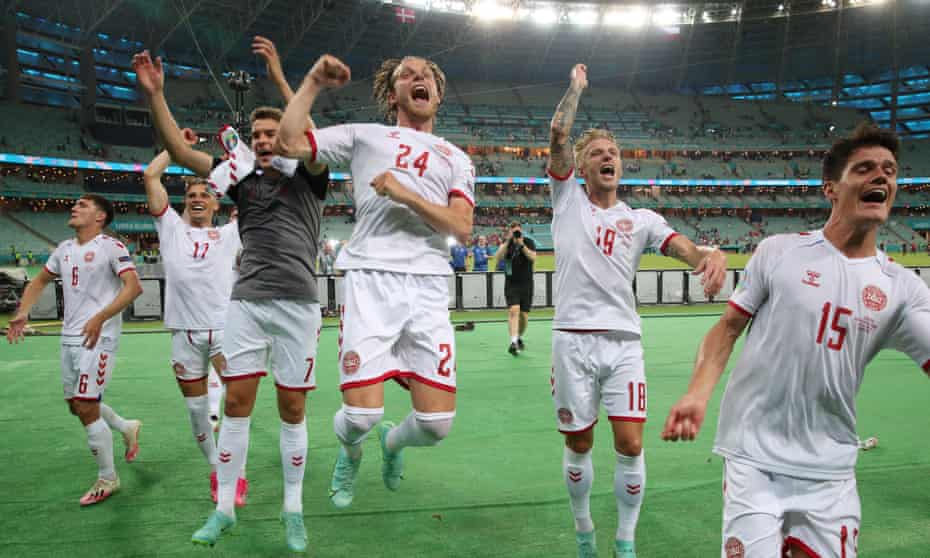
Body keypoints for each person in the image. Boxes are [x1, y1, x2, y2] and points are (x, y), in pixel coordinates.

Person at [661, 124, 929, 558]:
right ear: (831, 188)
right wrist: (697, 393)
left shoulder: (903, 288)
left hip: (831, 473)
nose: (881, 177)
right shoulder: (779, 252)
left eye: (890, 171)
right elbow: (727, 329)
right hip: (754, 458)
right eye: (864, 169)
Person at [133, 37, 329, 552]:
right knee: (237, 404)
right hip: (244, 303)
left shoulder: (311, 175)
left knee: (292, 409)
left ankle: (293, 508)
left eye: (272, 132)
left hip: (299, 303)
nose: (265, 140)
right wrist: (156, 95)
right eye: (258, 135)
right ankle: (222, 509)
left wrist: (284, 76)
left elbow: (305, 129)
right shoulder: (239, 180)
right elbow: (179, 152)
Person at [276, 53, 474, 511]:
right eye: (408, 73)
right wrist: (311, 82)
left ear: (438, 95)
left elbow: (461, 227)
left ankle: (392, 445)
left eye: (427, 74)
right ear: (394, 94)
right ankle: (351, 451)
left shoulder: (456, 157)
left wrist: (404, 194)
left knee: (436, 425)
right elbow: (287, 143)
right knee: (362, 415)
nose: (419, 77)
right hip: (371, 279)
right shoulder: (365, 135)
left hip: (427, 286)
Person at [547, 64, 727, 558]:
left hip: (624, 342)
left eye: (614, 154)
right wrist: (576, 89)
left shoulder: (640, 219)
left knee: (630, 444)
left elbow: (681, 247)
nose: (608, 158)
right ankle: (585, 532)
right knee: (579, 444)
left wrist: (706, 256)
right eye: (598, 154)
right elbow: (559, 133)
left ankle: (625, 542)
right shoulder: (566, 199)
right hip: (572, 339)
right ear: (581, 167)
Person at [6, 194, 144, 506]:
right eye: (76, 204)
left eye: (83, 205)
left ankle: (108, 477)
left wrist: (100, 317)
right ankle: (126, 426)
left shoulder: (111, 246)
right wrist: (23, 312)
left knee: (85, 403)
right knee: (77, 406)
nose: (74, 207)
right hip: (70, 338)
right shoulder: (64, 249)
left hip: (99, 337)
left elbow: (134, 287)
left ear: (100, 217)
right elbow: (39, 280)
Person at [142, 132, 245, 506]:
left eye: (205, 195)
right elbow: (151, 177)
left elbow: (256, 196)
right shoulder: (171, 229)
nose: (198, 199)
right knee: (197, 413)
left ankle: (237, 473)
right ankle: (218, 468)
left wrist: (234, 156)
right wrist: (173, 147)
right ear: (184, 204)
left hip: (225, 330)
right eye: (191, 196)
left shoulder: (231, 233)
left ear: (217, 204)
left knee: (236, 406)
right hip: (184, 333)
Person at [495, 221, 537, 355]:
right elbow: (498, 257)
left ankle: (518, 337)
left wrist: (521, 245)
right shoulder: (507, 245)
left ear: (522, 231)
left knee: (524, 316)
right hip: (511, 283)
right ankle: (513, 342)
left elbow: (533, 257)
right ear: (510, 232)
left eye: (518, 231)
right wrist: (508, 242)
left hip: (526, 283)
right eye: (513, 231)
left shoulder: (528, 242)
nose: (516, 234)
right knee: (514, 310)